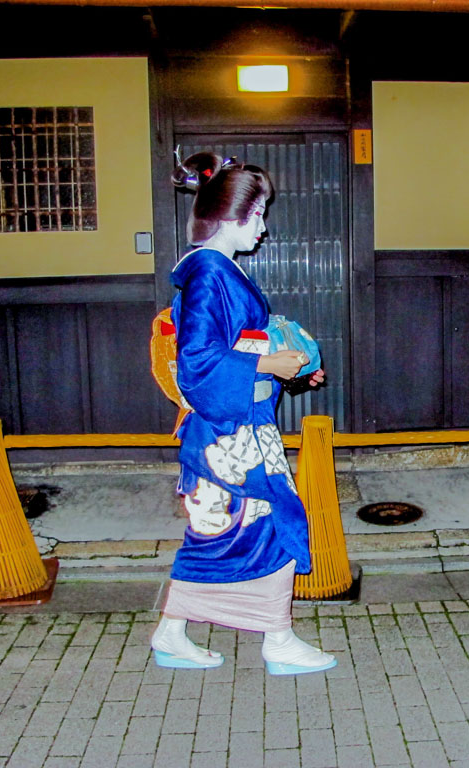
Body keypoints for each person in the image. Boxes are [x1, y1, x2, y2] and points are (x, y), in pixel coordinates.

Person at [150, 151, 334, 676]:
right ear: (232, 217)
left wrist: (286, 369)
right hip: (227, 432)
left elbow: (237, 349)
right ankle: (275, 640)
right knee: (253, 525)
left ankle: (178, 633)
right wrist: (270, 362)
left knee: (230, 531)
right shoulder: (211, 274)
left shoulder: (215, 272)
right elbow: (198, 364)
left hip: (235, 427)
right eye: (258, 214)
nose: (263, 227)